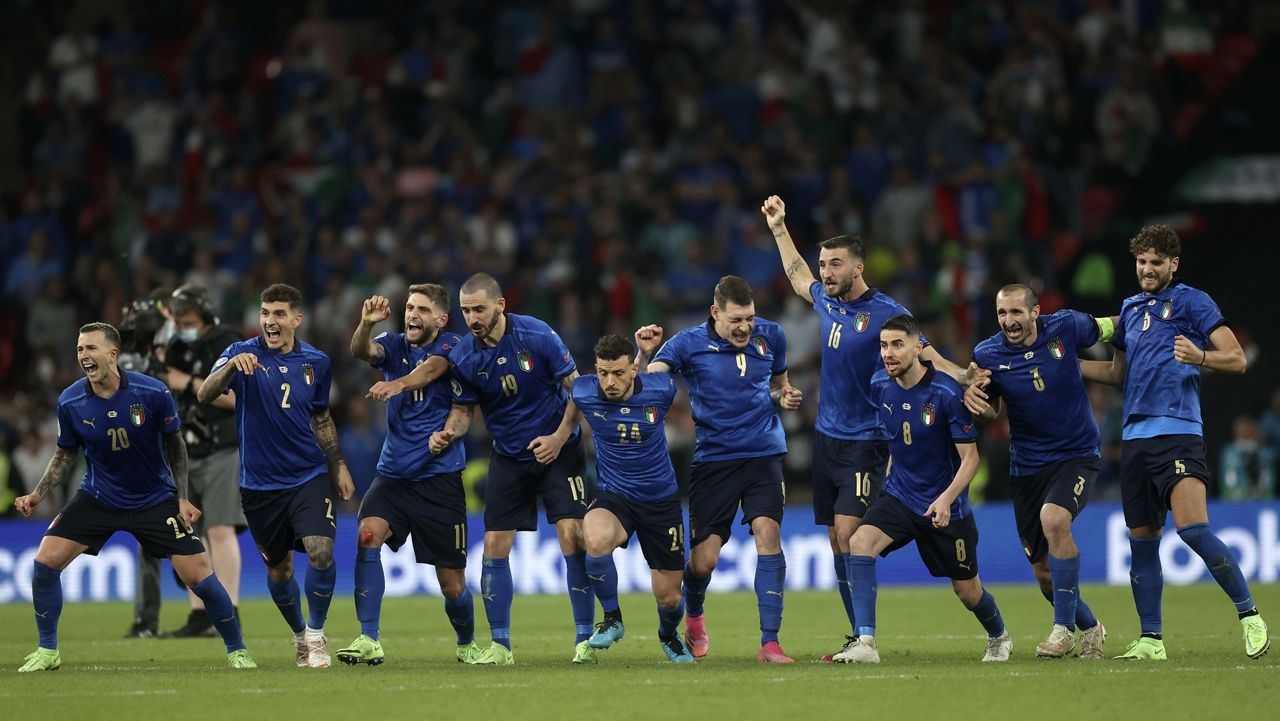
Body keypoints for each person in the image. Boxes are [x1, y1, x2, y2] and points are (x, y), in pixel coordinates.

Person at [761, 194, 975, 661]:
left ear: (857, 268)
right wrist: (779, 227)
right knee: (836, 538)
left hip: (868, 441)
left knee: (849, 531)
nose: (825, 272)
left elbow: (926, 352)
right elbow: (797, 275)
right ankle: (856, 634)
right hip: (827, 438)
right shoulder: (825, 299)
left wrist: (963, 377)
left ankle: (865, 638)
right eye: (823, 263)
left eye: (835, 264)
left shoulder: (886, 312)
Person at [14, 323, 255, 671]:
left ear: (113, 354)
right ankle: (48, 651)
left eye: (91, 348)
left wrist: (183, 497)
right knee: (45, 562)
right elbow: (65, 453)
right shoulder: (70, 400)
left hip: (154, 498)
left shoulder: (152, 392)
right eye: (80, 349)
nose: (84, 356)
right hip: (98, 497)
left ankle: (237, 649)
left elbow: (176, 445)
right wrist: (38, 494)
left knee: (200, 574)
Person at [383, 272, 593, 666]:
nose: (472, 317)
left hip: (556, 451)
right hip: (509, 456)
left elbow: (577, 389)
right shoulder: (463, 356)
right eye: (465, 311)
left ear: (500, 305)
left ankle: (584, 639)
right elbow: (463, 412)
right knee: (494, 547)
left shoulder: (538, 335)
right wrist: (448, 433)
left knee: (572, 535)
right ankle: (500, 646)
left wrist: (560, 435)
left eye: (478, 308)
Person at [1081, 225, 1268, 660]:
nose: (1147, 270)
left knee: (1193, 529)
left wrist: (1200, 356)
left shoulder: (1191, 301)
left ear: (1173, 264)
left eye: (1155, 263)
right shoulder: (1129, 309)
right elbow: (1116, 374)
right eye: (1142, 262)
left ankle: (1250, 615)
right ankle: (1151, 640)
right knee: (1142, 540)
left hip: (1179, 432)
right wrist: (1068, 368)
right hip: (1134, 439)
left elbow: (1237, 358)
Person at [635, 275, 802, 663]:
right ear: (715, 313)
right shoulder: (687, 343)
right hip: (714, 461)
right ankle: (694, 615)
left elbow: (778, 382)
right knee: (703, 561)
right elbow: (648, 381)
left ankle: (770, 642)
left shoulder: (771, 336)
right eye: (736, 320)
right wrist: (643, 355)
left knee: (768, 534)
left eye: (750, 318)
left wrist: (785, 395)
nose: (745, 327)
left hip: (763, 454)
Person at [834, 315, 1010, 664]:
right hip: (899, 496)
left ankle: (999, 635)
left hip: (944, 508)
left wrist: (946, 499)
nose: (888, 352)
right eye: (883, 345)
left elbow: (971, 458)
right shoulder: (879, 385)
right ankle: (865, 642)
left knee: (967, 590)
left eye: (897, 344)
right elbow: (896, 438)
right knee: (859, 542)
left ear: (918, 348)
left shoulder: (945, 393)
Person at [197, 283, 355, 668]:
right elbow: (204, 393)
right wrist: (232, 368)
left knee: (320, 550)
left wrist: (338, 463)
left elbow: (321, 416)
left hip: (307, 475)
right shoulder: (240, 353)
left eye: (279, 314)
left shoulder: (316, 362)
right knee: (279, 568)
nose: (270, 321)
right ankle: (300, 636)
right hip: (260, 485)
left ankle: (317, 636)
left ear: (296, 319)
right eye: (265, 313)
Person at [336, 285, 480, 666]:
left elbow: (433, 369)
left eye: (422, 309)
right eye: (409, 307)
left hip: (439, 478)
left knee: (452, 585)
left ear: (441, 319)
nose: (412, 314)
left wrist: (398, 385)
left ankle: (466, 642)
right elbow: (361, 351)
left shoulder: (456, 345)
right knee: (367, 536)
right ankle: (369, 638)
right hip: (394, 476)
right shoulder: (394, 344)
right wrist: (365, 325)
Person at [964, 285, 1108, 659]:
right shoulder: (987, 353)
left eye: (1016, 312)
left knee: (1055, 518)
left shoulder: (1068, 326)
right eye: (1002, 314)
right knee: (1044, 574)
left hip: (1076, 454)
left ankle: (1062, 632)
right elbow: (993, 410)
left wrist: (1131, 361)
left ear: (1035, 312)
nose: (1009, 321)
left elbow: (1118, 327)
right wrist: (976, 402)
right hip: (1027, 466)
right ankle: (1091, 626)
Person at [572, 334, 694, 664]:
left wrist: (646, 350)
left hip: (661, 500)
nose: (609, 382)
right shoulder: (584, 391)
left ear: (633, 370)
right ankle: (613, 619)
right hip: (615, 496)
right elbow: (572, 406)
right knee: (593, 537)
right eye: (603, 373)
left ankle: (668, 635)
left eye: (618, 373)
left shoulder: (661, 390)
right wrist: (557, 436)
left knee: (669, 597)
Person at [152, 284, 246, 638]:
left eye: (188, 320)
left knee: (220, 529)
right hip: (185, 453)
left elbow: (237, 398)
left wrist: (188, 381)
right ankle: (199, 616)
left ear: (205, 316)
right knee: (189, 533)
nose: (183, 325)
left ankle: (230, 610)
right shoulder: (174, 344)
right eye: (178, 320)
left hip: (222, 447)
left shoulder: (227, 341)